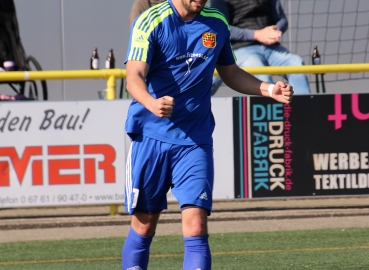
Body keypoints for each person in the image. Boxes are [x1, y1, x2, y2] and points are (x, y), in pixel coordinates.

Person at [122, 0, 293, 269]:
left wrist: (269, 90)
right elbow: (133, 76)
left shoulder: (217, 22)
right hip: (151, 137)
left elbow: (231, 73)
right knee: (144, 225)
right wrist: (152, 103)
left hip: (194, 140)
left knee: (197, 224)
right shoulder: (151, 21)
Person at [210, 0, 310, 96]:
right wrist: (256, 35)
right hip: (242, 48)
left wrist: (274, 31)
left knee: (296, 63)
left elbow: (282, 19)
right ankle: (271, 112)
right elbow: (221, 27)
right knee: (262, 77)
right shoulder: (220, 1)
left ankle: (303, 111)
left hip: (272, 47)